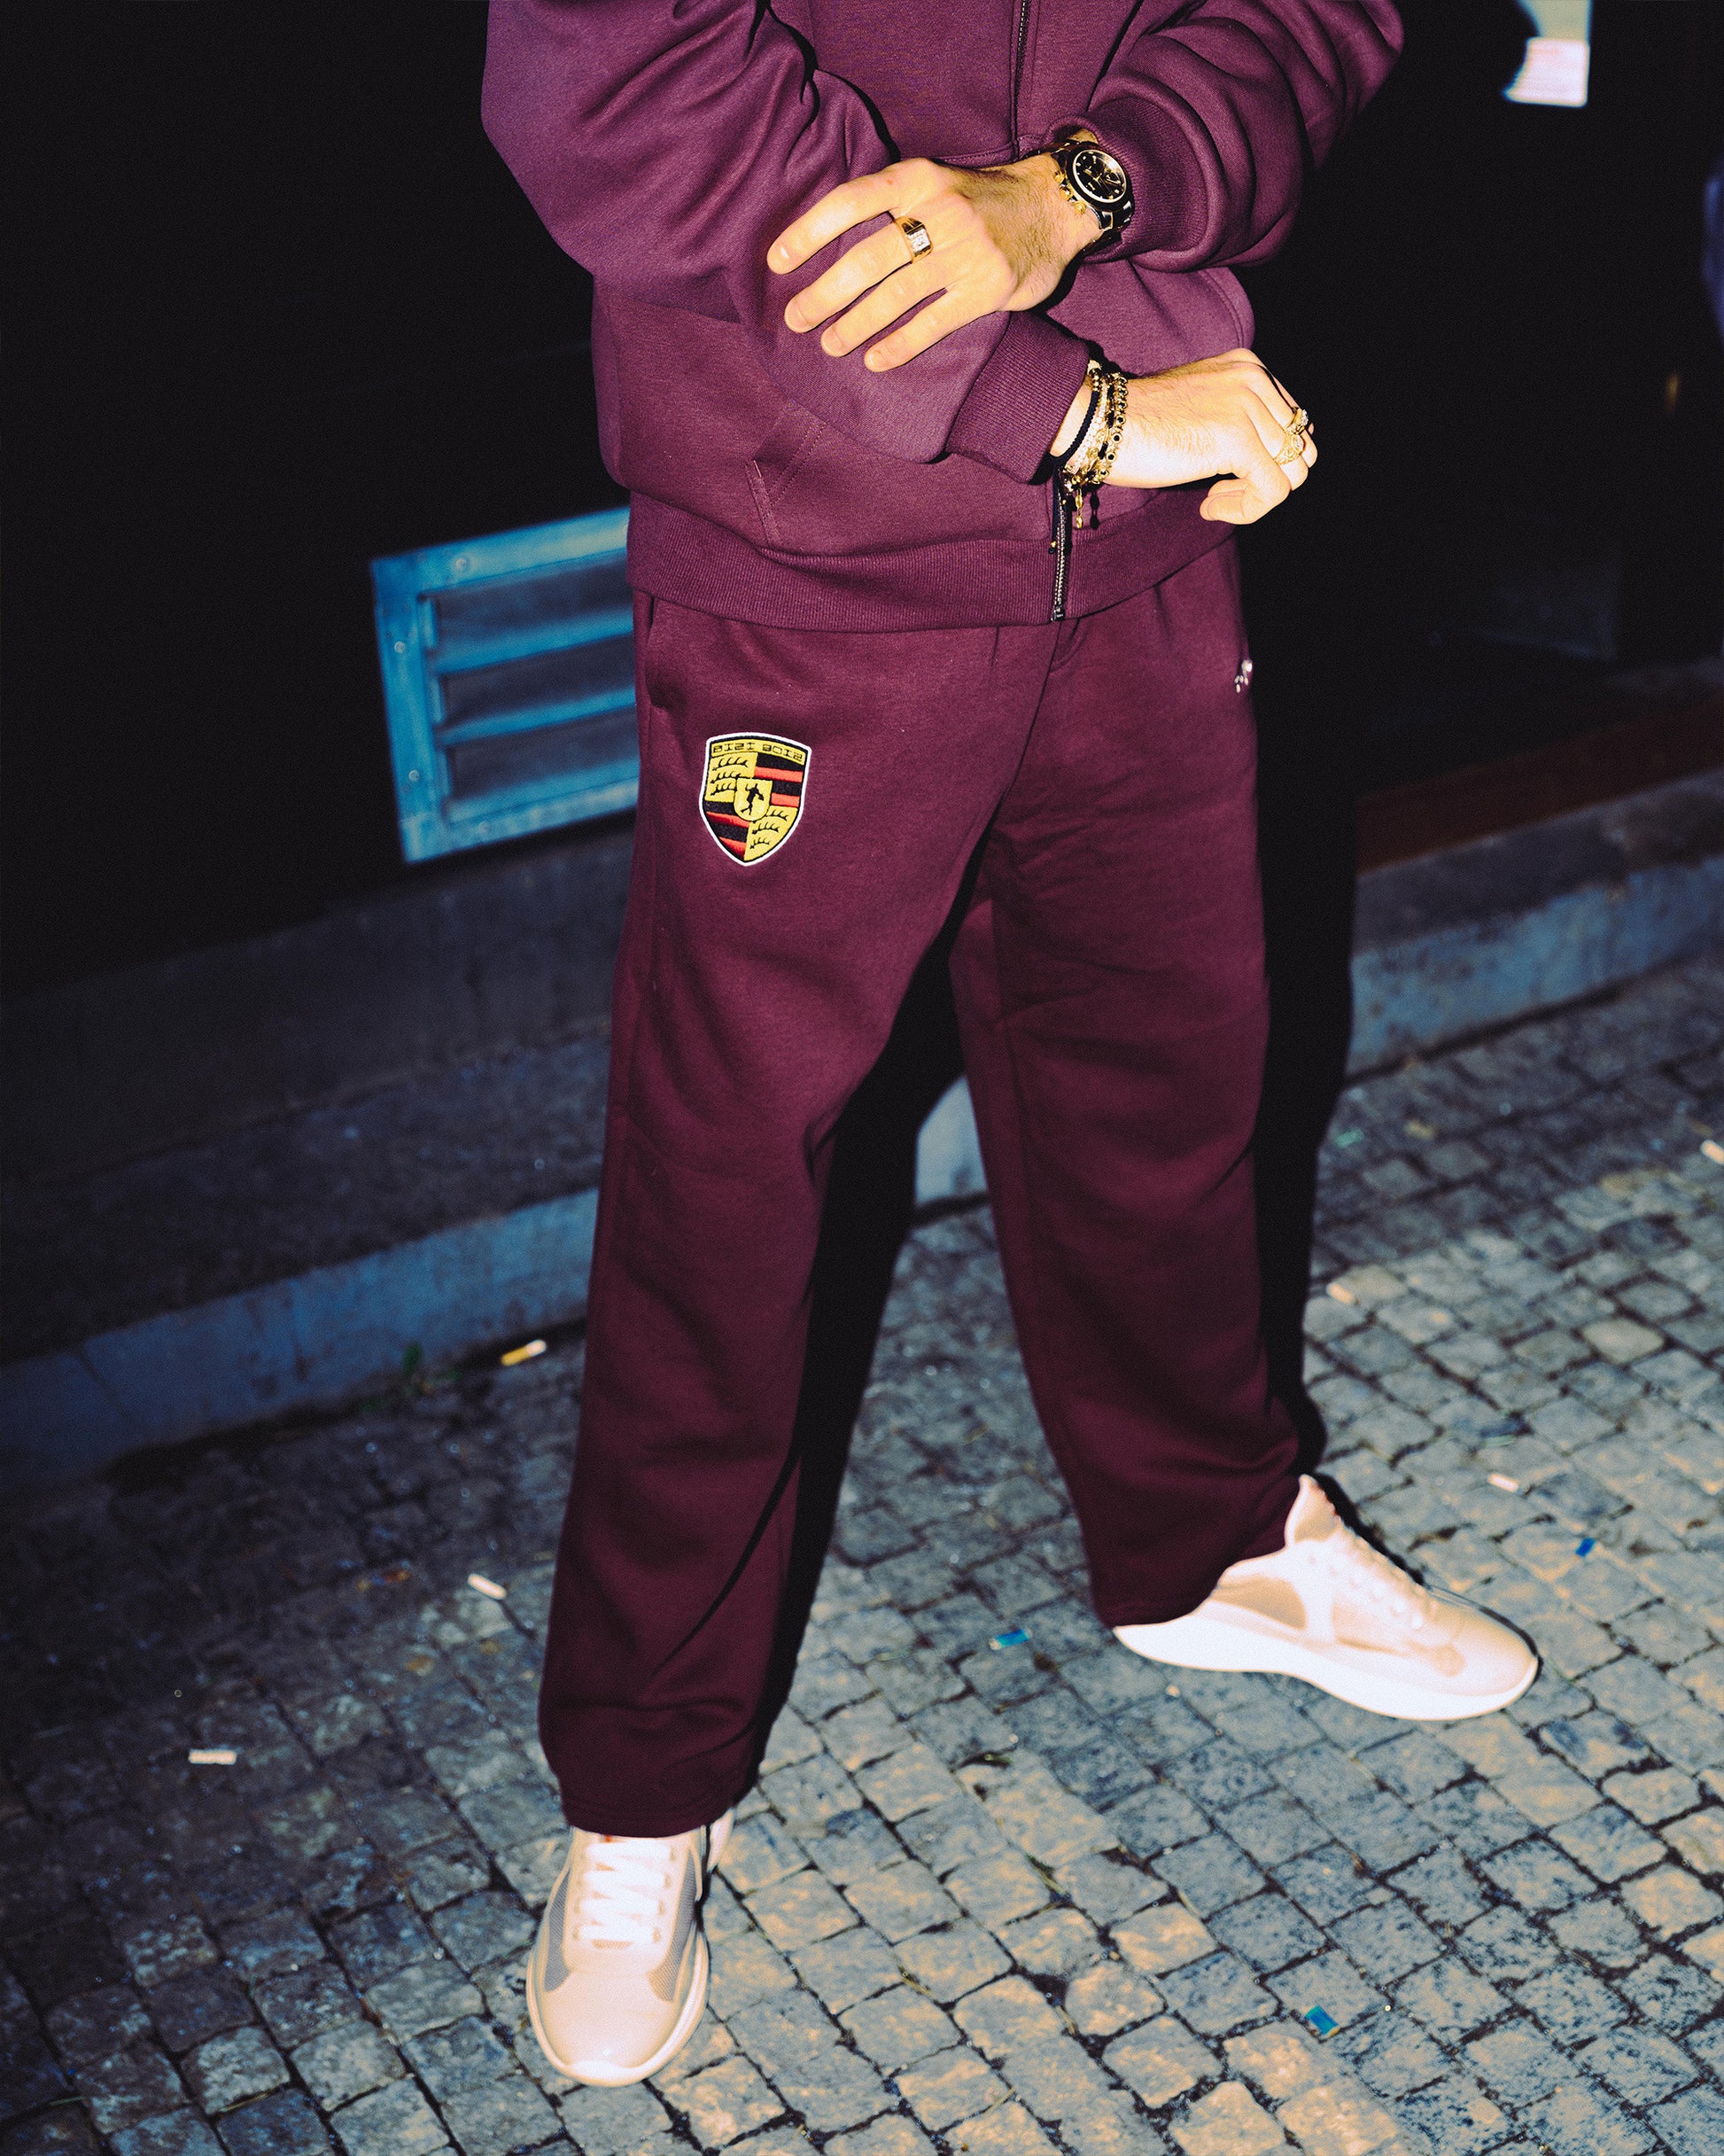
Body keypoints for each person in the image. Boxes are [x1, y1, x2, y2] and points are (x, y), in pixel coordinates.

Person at [482, 0, 1534, 2090]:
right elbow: (608, 81)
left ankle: (1206, 1535)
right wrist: (1059, 404)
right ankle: (644, 1770)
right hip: (813, 548)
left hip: (1151, 533)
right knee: (727, 1183)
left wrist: (1081, 196)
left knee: (1168, 1076)